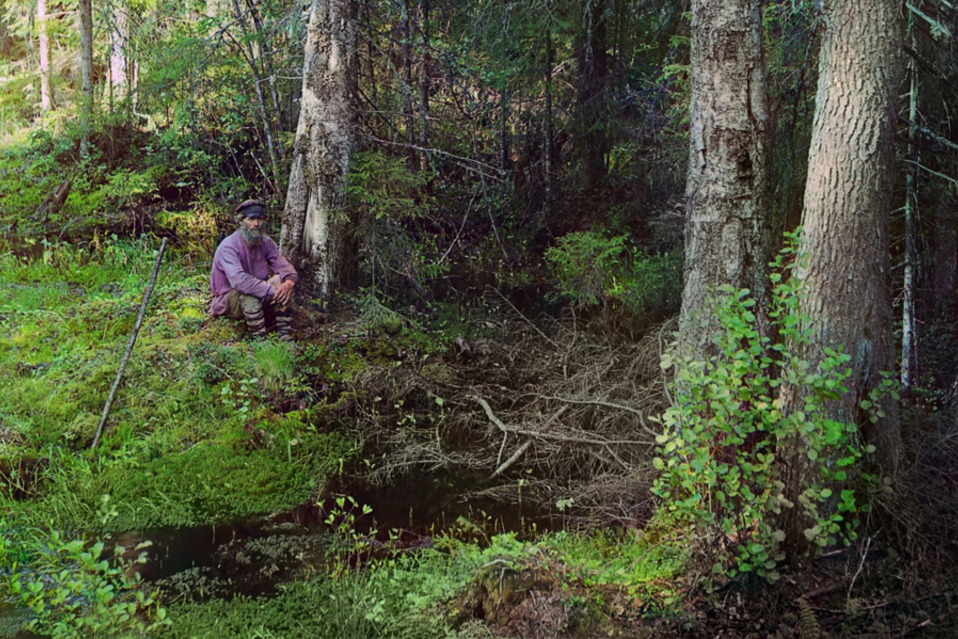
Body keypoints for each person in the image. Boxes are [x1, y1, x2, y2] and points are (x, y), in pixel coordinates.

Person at [210, 199, 298, 342]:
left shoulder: (265, 242)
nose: (256, 224)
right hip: (229, 301)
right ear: (240, 221)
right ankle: (260, 341)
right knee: (249, 293)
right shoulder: (228, 246)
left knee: (283, 282)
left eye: (260, 218)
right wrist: (272, 291)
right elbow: (240, 282)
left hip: (258, 294)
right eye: (251, 219)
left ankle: (284, 336)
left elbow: (285, 267)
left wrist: (288, 283)